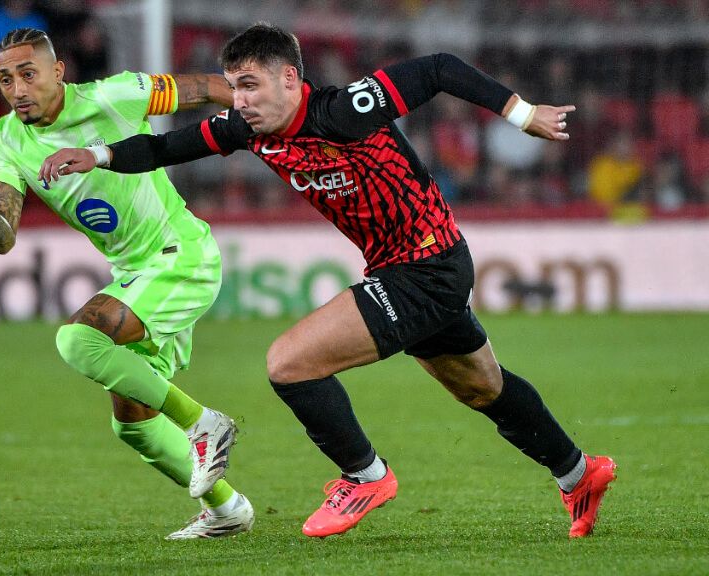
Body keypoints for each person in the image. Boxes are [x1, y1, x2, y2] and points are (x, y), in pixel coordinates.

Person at [41, 23, 617, 539]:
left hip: (427, 263)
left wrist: (522, 114)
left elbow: (440, 67)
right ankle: (578, 472)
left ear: (290, 78)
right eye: (233, 88)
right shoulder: (246, 129)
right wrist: (97, 156)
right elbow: (168, 145)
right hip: (404, 267)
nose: (239, 101)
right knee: (481, 387)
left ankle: (365, 476)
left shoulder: (343, 111)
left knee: (289, 362)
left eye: (250, 86)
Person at [0, 28, 253, 540]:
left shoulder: (116, 96)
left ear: (58, 71)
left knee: (78, 338)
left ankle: (205, 423)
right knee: (132, 421)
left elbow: (205, 87)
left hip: (181, 257)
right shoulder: (9, 138)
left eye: (28, 74)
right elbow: (3, 237)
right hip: (137, 275)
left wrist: (279, 112)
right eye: (6, 79)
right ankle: (227, 509)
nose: (18, 89)